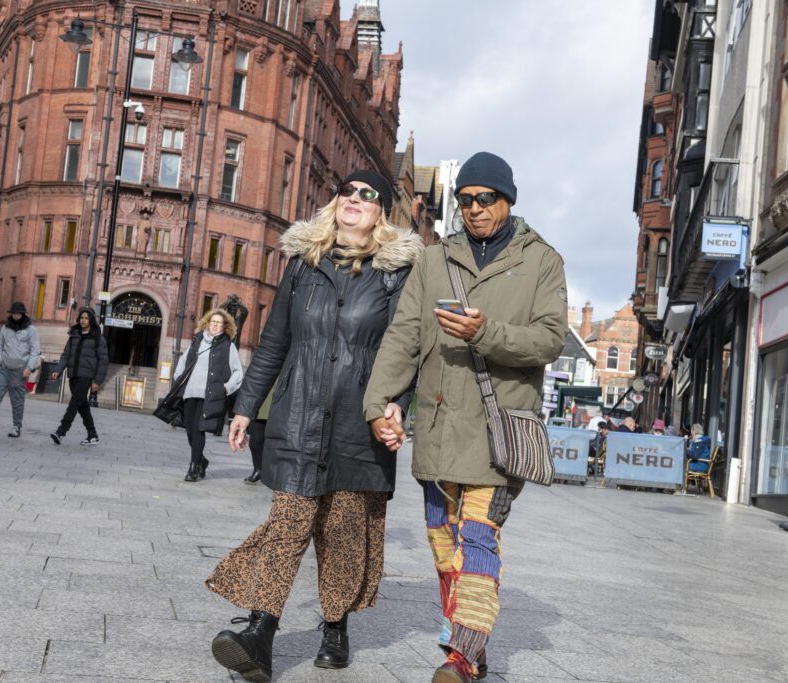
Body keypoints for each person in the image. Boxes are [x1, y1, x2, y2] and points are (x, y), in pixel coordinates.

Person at [207, 170, 422, 682]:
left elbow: (405, 350)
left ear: (382, 211)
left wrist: (396, 406)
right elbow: (274, 342)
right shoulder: (303, 264)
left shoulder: (396, 273)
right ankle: (259, 633)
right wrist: (245, 406)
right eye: (347, 191)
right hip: (299, 414)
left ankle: (335, 628)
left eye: (368, 195)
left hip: (358, 421)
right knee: (288, 523)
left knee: (344, 530)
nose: (354, 199)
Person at [362, 152, 568, 682]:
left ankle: (459, 657)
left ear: (508, 200)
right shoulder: (434, 259)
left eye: (486, 199)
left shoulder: (542, 260)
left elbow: (549, 340)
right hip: (436, 428)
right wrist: (379, 403)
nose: (474, 208)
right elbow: (404, 337)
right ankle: (471, 644)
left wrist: (485, 333)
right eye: (466, 199)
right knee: (443, 544)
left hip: (497, 434)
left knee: (477, 538)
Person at [166, 308, 243, 482]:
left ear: (225, 327)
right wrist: (178, 379)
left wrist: (226, 388)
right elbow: (183, 362)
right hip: (190, 392)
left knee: (198, 428)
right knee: (189, 429)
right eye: (212, 322)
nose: (215, 325)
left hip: (209, 395)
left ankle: (193, 467)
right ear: (207, 323)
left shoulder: (228, 346)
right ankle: (202, 460)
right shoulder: (197, 341)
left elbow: (238, 372)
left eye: (219, 323)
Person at [0, 302, 40, 438]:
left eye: (18, 313)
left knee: (17, 399)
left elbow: (35, 350)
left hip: (20, 370)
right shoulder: (6, 327)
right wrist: (0, 361)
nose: (16, 315)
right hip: (4, 369)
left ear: (23, 314)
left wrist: (29, 367)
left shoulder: (31, 330)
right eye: (14, 313)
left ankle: (16, 426)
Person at [49, 307, 108, 446]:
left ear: (91, 320)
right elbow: (66, 355)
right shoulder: (74, 335)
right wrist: (58, 370)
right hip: (73, 375)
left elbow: (103, 361)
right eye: (81, 318)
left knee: (73, 404)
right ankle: (92, 435)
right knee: (83, 407)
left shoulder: (98, 338)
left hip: (86, 377)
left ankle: (61, 432)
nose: (83, 320)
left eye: (86, 318)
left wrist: (97, 381)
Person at [244, 389, 274, 485]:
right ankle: (258, 469)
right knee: (255, 442)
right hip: (259, 402)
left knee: (276, 443)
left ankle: (272, 472)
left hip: (281, 402)